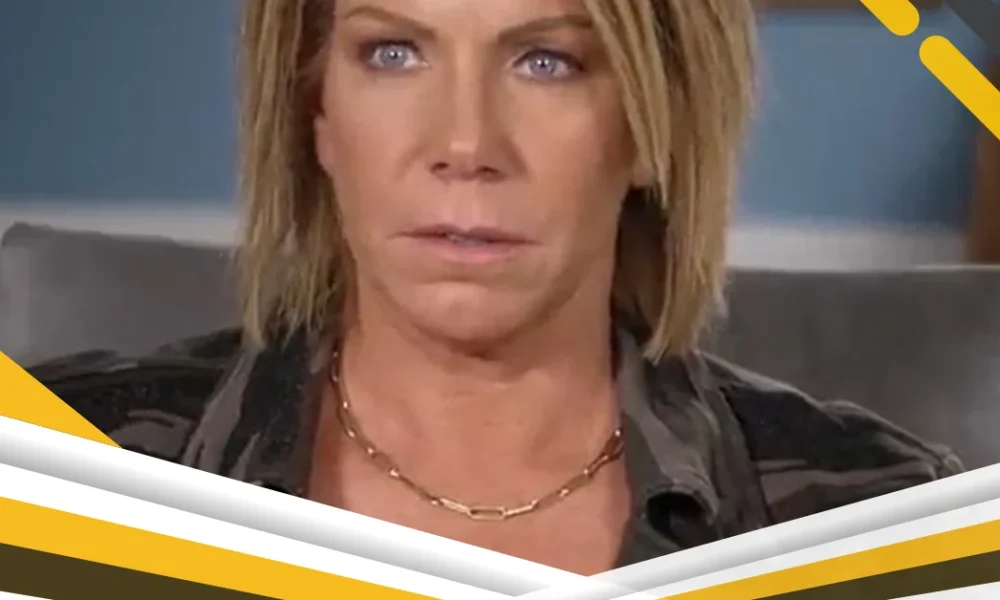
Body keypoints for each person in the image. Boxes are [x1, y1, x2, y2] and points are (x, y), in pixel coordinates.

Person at [32, 0, 962, 575]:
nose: (466, 144)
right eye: (393, 53)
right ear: (316, 114)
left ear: (654, 126)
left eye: (546, 61)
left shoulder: (878, 520)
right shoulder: (59, 471)